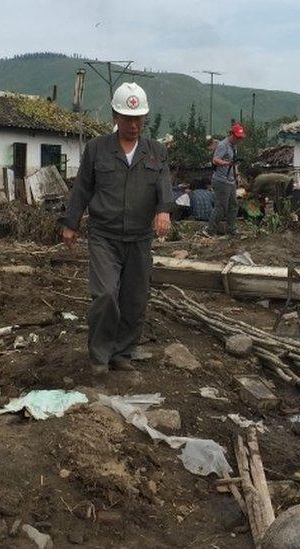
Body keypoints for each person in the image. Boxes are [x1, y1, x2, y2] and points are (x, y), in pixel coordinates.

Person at [60, 82, 174, 373]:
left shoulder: (156, 151)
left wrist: (163, 211)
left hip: (139, 238)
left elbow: (164, 187)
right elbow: (82, 188)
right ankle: (99, 355)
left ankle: (122, 353)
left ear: (144, 118)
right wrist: (70, 223)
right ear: (115, 117)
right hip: (104, 236)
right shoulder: (97, 149)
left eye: (139, 119)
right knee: (106, 294)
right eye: (127, 118)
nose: (134, 125)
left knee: (135, 299)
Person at [205, 123, 246, 236]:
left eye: (240, 138)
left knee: (233, 205)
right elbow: (215, 160)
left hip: (230, 180)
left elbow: (234, 162)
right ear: (232, 134)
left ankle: (231, 228)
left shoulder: (234, 146)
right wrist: (228, 163)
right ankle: (210, 230)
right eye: (237, 137)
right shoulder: (223, 145)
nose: (239, 140)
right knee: (221, 206)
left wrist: (236, 174)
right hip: (221, 180)